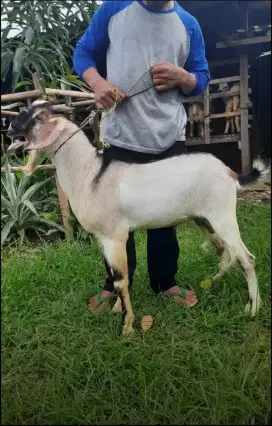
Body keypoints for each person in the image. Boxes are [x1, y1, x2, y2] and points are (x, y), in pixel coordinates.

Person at [73, 0, 210, 312]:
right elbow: (83, 53)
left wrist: (182, 77)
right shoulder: (113, 10)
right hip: (121, 136)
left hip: (168, 137)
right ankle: (115, 283)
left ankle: (164, 282)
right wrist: (99, 83)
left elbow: (201, 76)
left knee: (164, 214)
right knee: (115, 217)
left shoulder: (188, 24)